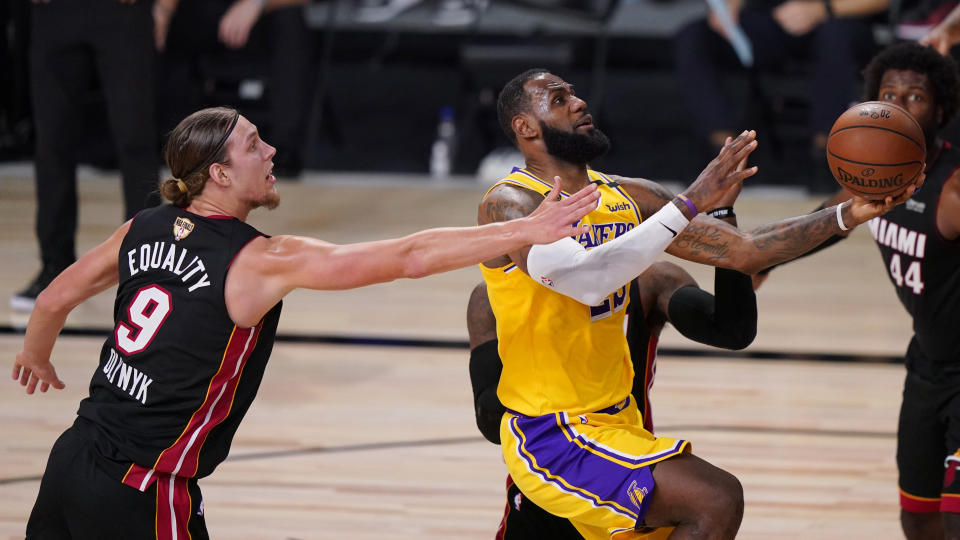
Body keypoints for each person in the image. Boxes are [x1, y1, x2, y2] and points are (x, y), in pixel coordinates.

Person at [10, 106, 607, 539]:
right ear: (219, 174)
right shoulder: (261, 259)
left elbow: (51, 302)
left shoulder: (142, 226)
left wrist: (35, 357)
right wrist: (521, 229)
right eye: (253, 146)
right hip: (142, 490)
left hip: (70, 457)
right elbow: (408, 257)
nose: (270, 152)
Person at [479, 68, 914, 539]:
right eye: (559, 98)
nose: (579, 102)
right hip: (553, 431)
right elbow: (584, 280)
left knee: (707, 508)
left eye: (575, 93)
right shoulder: (510, 204)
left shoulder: (631, 196)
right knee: (716, 498)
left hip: (619, 424)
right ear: (525, 127)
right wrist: (688, 204)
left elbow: (743, 250)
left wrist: (846, 214)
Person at [760, 42, 960, 540]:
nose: (899, 104)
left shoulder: (953, 190)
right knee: (918, 518)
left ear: (940, 110)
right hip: (927, 369)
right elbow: (827, 224)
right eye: (888, 94)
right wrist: (764, 260)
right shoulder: (880, 176)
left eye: (914, 96)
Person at [467, 224, 759, 538]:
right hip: (550, 484)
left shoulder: (650, 282)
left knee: (715, 500)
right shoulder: (498, 296)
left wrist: (723, 218)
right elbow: (490, 420)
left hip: (628, 481)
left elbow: (733, 330)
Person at [12, 0, 166, 312]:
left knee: (135, 139)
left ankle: (147, 267)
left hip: (123, 11)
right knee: (52, 142)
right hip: (55, 12)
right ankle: (54, 266)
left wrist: (165, 7)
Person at [672, 0, 887, 191]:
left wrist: (822, 9)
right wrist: (729, 6)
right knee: (693, 36)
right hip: (773, 20)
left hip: (837, 17)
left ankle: (827, 157)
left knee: (836, 35)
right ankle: (726, 156)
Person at [158, 0, 313, 177]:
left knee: (290, 20)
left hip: (268, 12)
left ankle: (283, 152)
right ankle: (172, 144)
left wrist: (257, 3)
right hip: (205, 15)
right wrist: (162, 10)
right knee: (158, 21)